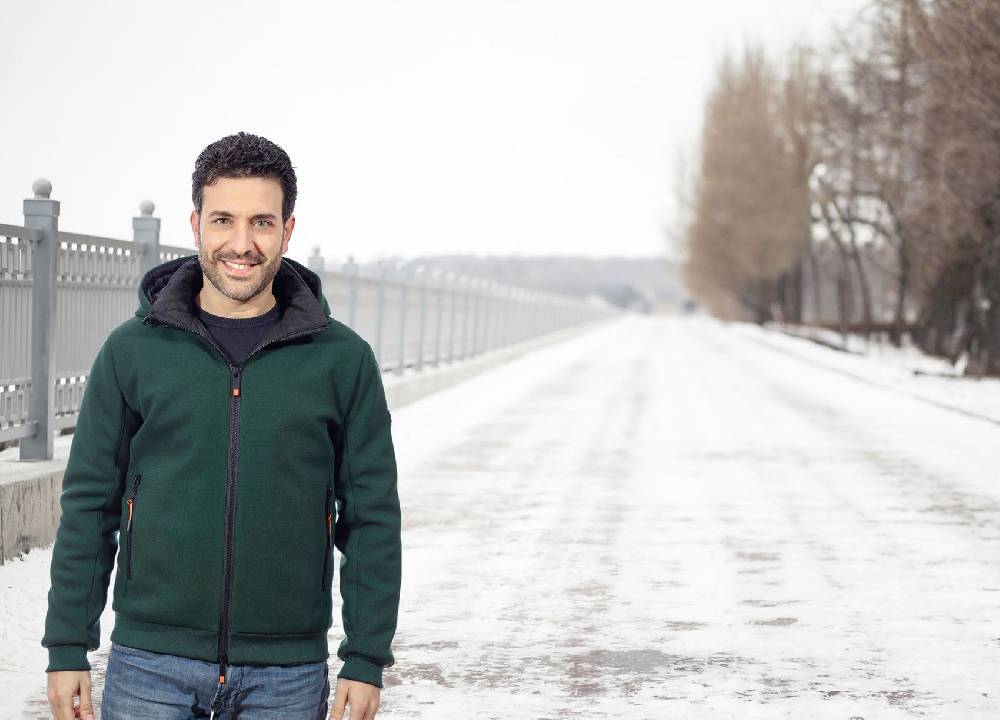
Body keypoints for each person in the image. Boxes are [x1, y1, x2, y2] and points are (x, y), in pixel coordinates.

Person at [42, 131, 402, 720]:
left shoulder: (343, 360)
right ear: (195, 224)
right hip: (149, 665)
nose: (242, 244)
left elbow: (372, 519)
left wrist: (365, 658)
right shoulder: (132, 351)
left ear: (287, 229)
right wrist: (66, 645)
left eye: (262, 222)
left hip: (286, 674)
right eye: (223, 220)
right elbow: (89, 503)